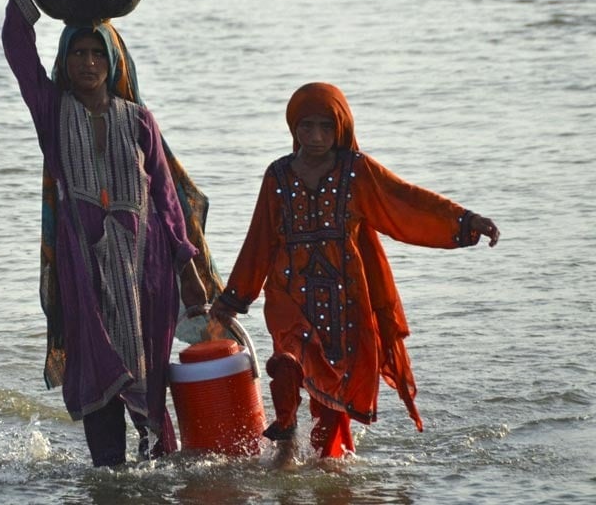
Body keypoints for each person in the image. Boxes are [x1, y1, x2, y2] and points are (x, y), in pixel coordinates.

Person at [2, 0, 220, 467]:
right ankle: (109, 477)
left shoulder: (138, 121)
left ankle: (152, 474)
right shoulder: (52, 113)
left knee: (150, 377)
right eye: (76, 53)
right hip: (84, 268)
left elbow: (167, 204)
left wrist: (188, 272)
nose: (86, 64)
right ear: (65, 61)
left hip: (144, 268)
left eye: (95, 53)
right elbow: (15, 46)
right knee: (97, 371)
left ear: (113, 61)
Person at [209, 82, 499, 467]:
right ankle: (286, 440)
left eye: (325, 128)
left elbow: (407, 201)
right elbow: (259, 241)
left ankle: (331, 468)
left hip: (344, 301)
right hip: (288, 294)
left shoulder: (357, 171)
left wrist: (465, 221)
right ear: (293, 128)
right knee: (287, 361)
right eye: (306, 127)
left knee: (332, 390)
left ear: (340, 128)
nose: (315, 137)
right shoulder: (277, 176)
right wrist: (234, 298)